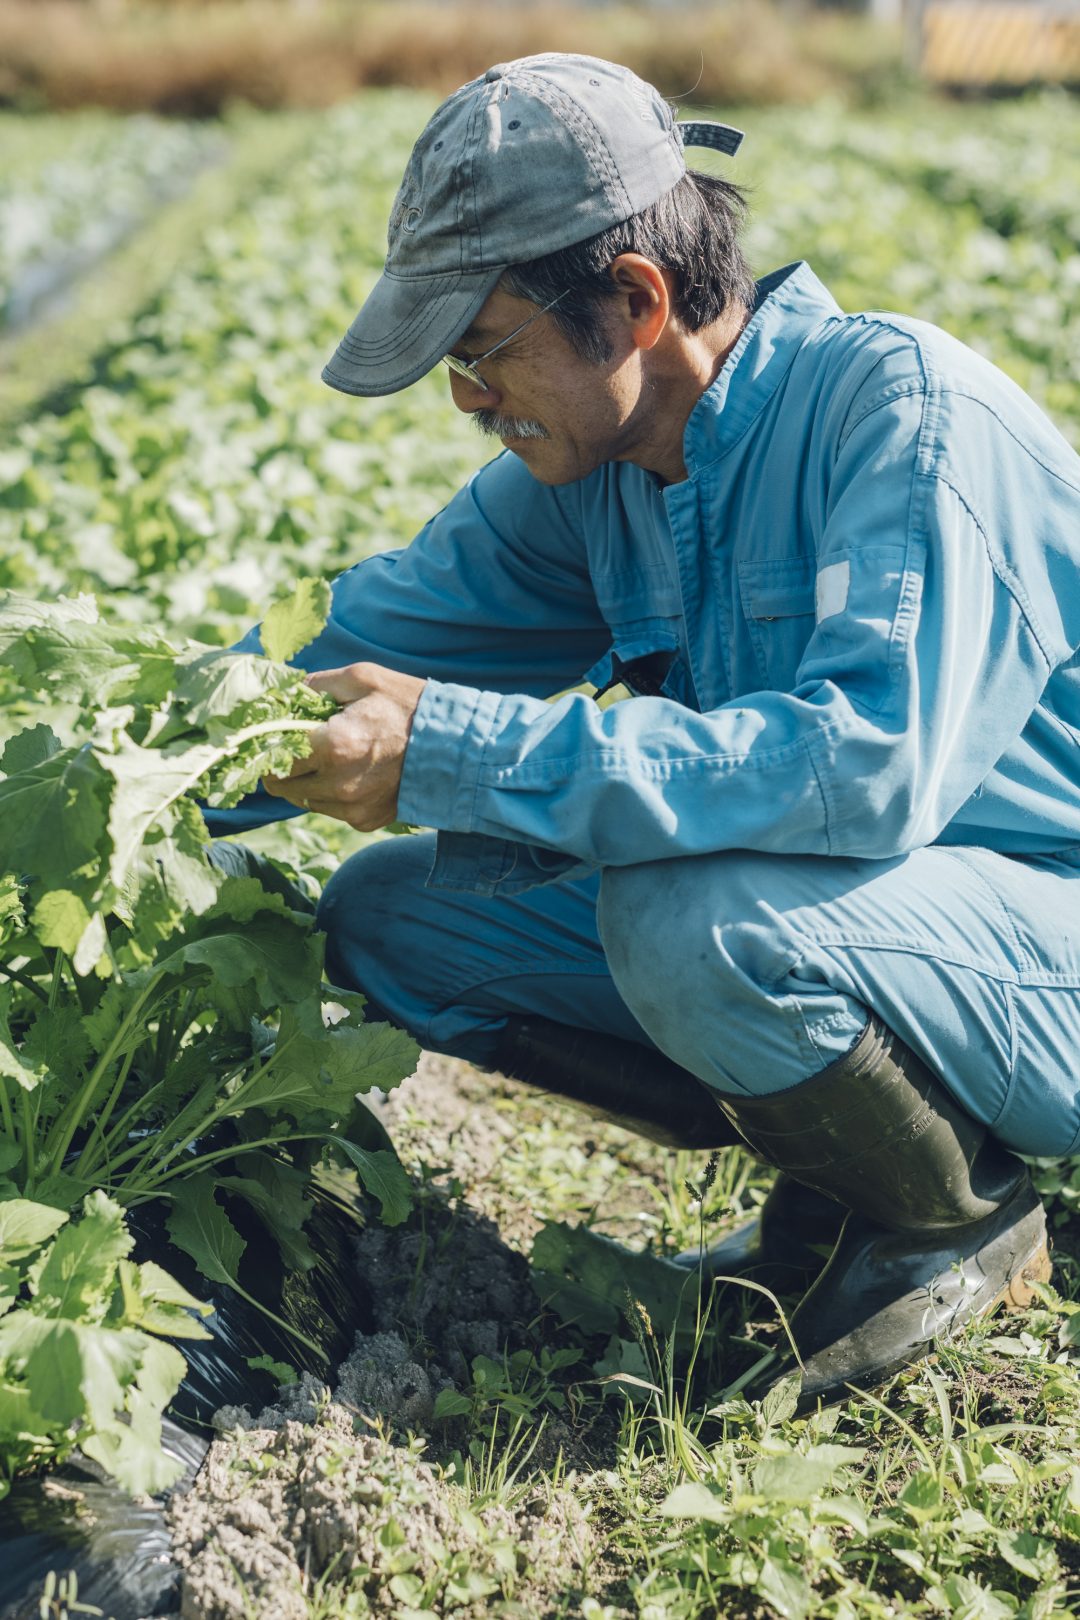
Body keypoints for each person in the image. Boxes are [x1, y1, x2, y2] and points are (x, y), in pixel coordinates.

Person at [205, 53, 1080, 1408]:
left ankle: (952, 1215)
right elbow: (333, 658)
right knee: (395, 915)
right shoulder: (591, 480)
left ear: (635, 299)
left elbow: (862, 767)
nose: (466, 400)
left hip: (1046, 947)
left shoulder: (905, 413)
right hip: (867, 936)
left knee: (695, 921)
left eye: (485, 350)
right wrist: (113, 755)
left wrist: (455, 751)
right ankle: (843, 1188)